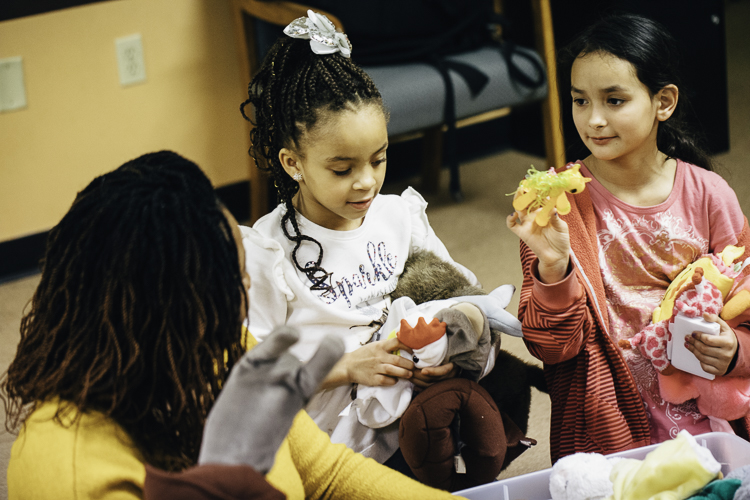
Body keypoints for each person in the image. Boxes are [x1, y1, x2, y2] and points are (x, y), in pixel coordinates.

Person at [2, 151, 467, 499]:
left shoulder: (220, 351)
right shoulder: (67, 471)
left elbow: (327, 476)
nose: (246, 295)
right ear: (172, 313)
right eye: (234, 282)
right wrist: (229, 477)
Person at [240, 10, 498, 466]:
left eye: (378, 159)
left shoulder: (398, 216)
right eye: (342, 169)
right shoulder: (267, 250)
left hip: (413, 410)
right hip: (330, 442)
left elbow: (465, 300)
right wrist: (345, 368)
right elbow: (249, 376)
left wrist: (449, 349)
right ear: (292, 162)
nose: (366, 183)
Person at [505, 13, 750, 462]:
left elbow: (746, 302)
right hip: (608, 424)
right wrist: (553, 268)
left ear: (664, 102)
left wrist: (736, 350)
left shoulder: (710, 194)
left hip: (710, 418)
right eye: (580, 101)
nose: (593, 120)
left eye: (614, 100)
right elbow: (552, 349)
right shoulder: (555, 205)